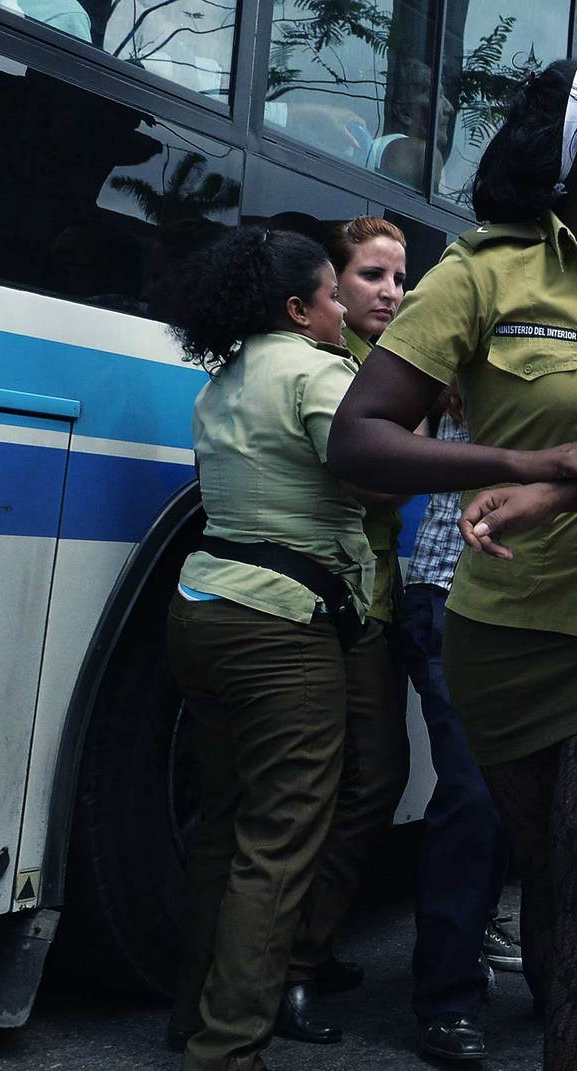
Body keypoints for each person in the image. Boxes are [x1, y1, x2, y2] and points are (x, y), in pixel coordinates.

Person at [325, 56, 577, 1070]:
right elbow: (359, 438)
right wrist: (520, 459)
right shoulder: (481, 271)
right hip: (507, 628)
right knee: (555, 874)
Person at [160, 225, 372, 1071]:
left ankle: (192, 1015)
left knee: (225, 823)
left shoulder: (227, 379)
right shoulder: (318, 374)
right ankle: (226, 1051)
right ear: (299, 308)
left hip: (201, 607)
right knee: (280, 841)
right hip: (281, 630)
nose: (347, 306)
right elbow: (369, 472)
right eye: (334, 293)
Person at [261, 216, 416, 1038]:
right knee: (350, 780)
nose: (392, 292)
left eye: (400, 278)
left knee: (364, 779)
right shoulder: (333, 372)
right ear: (324, 292)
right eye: (370, 277)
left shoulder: (381, 366)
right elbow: (381, 483)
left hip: (371, 599)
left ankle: (302, 955)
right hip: (335, 604)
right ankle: (288, 965)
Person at [395, 378, 529, 1062]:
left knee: (540, 795)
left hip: (543, 610)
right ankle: (447, 999)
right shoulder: (467, 337)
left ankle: (557, 974)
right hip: (452, 596)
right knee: (474, 796)